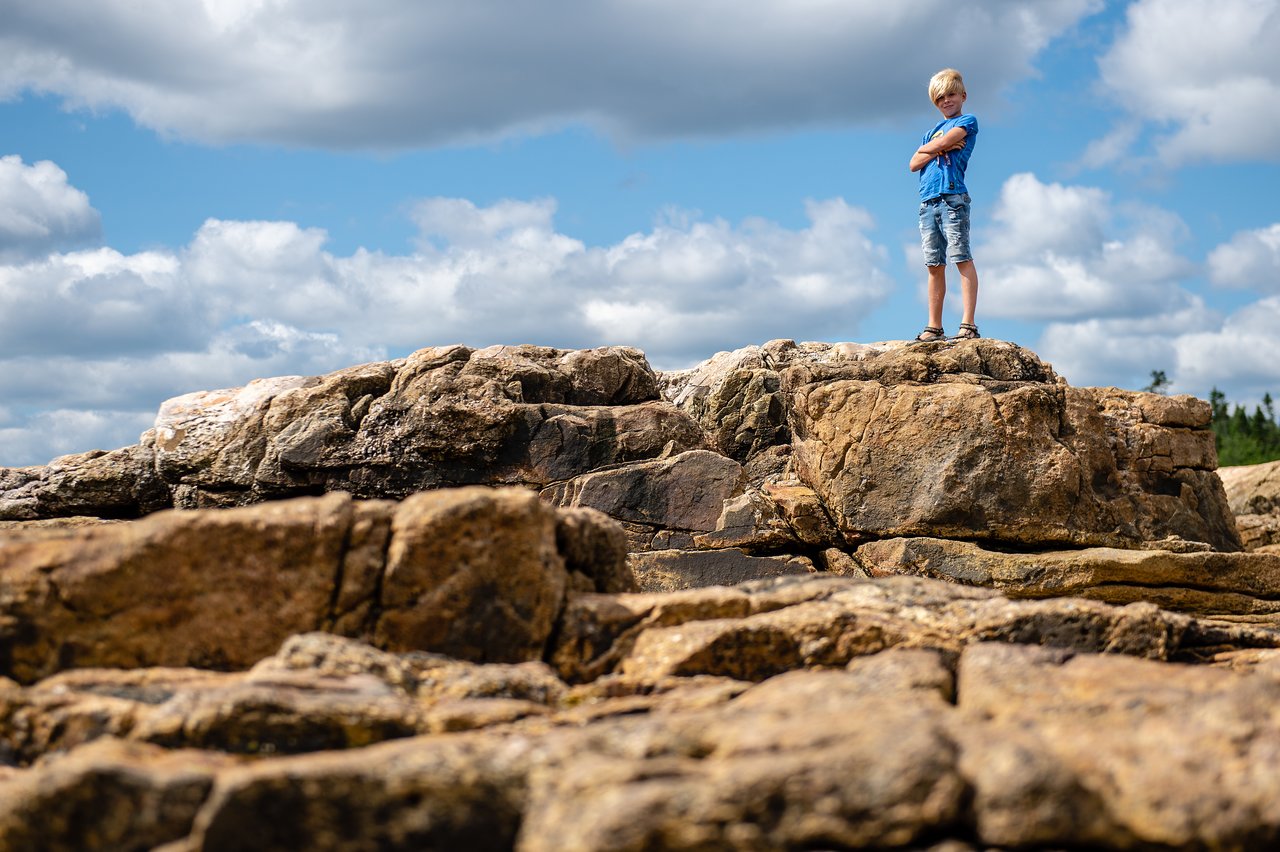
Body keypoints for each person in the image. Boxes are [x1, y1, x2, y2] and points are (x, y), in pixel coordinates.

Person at [909, 68, 980, 342]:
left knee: (961, 257)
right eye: (940, 98)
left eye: (951, 95)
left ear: (962, 95)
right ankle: (934, 326)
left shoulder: (968, 121)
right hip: (928, 201)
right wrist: (939, 146)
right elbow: (913, 163)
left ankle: (968, 324)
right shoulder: (931, 133)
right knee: (933, 265)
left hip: (952, 197)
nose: (946, 101)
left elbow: (948, 141)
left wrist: (937, 146)